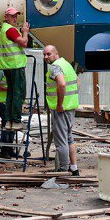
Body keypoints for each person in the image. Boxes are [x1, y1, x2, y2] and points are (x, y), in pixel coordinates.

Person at [42, 44, 80, 176]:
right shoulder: (66, 64)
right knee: (69, 138)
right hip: (70, 107)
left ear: (56, 53)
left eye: (48, 54)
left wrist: (59, 104)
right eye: (44, 54)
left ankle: (63, 170)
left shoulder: (55, 67)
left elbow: (62, 84)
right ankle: (74, 168)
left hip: (61, 109)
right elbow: (77, 81)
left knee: (61, 141)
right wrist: (71, 98)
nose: (46, 57)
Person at [0, 7, 29, 127]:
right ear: (6, 17)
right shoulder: (10, 30)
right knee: (18, 93)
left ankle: (9, 121)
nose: (15, 19)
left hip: (8, 66)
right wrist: (25, 32)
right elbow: (24, 43)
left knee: (11, 93)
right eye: (12, 16)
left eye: (16, 16)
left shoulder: (4, 29)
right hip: (16, 65)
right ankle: (16, 120)